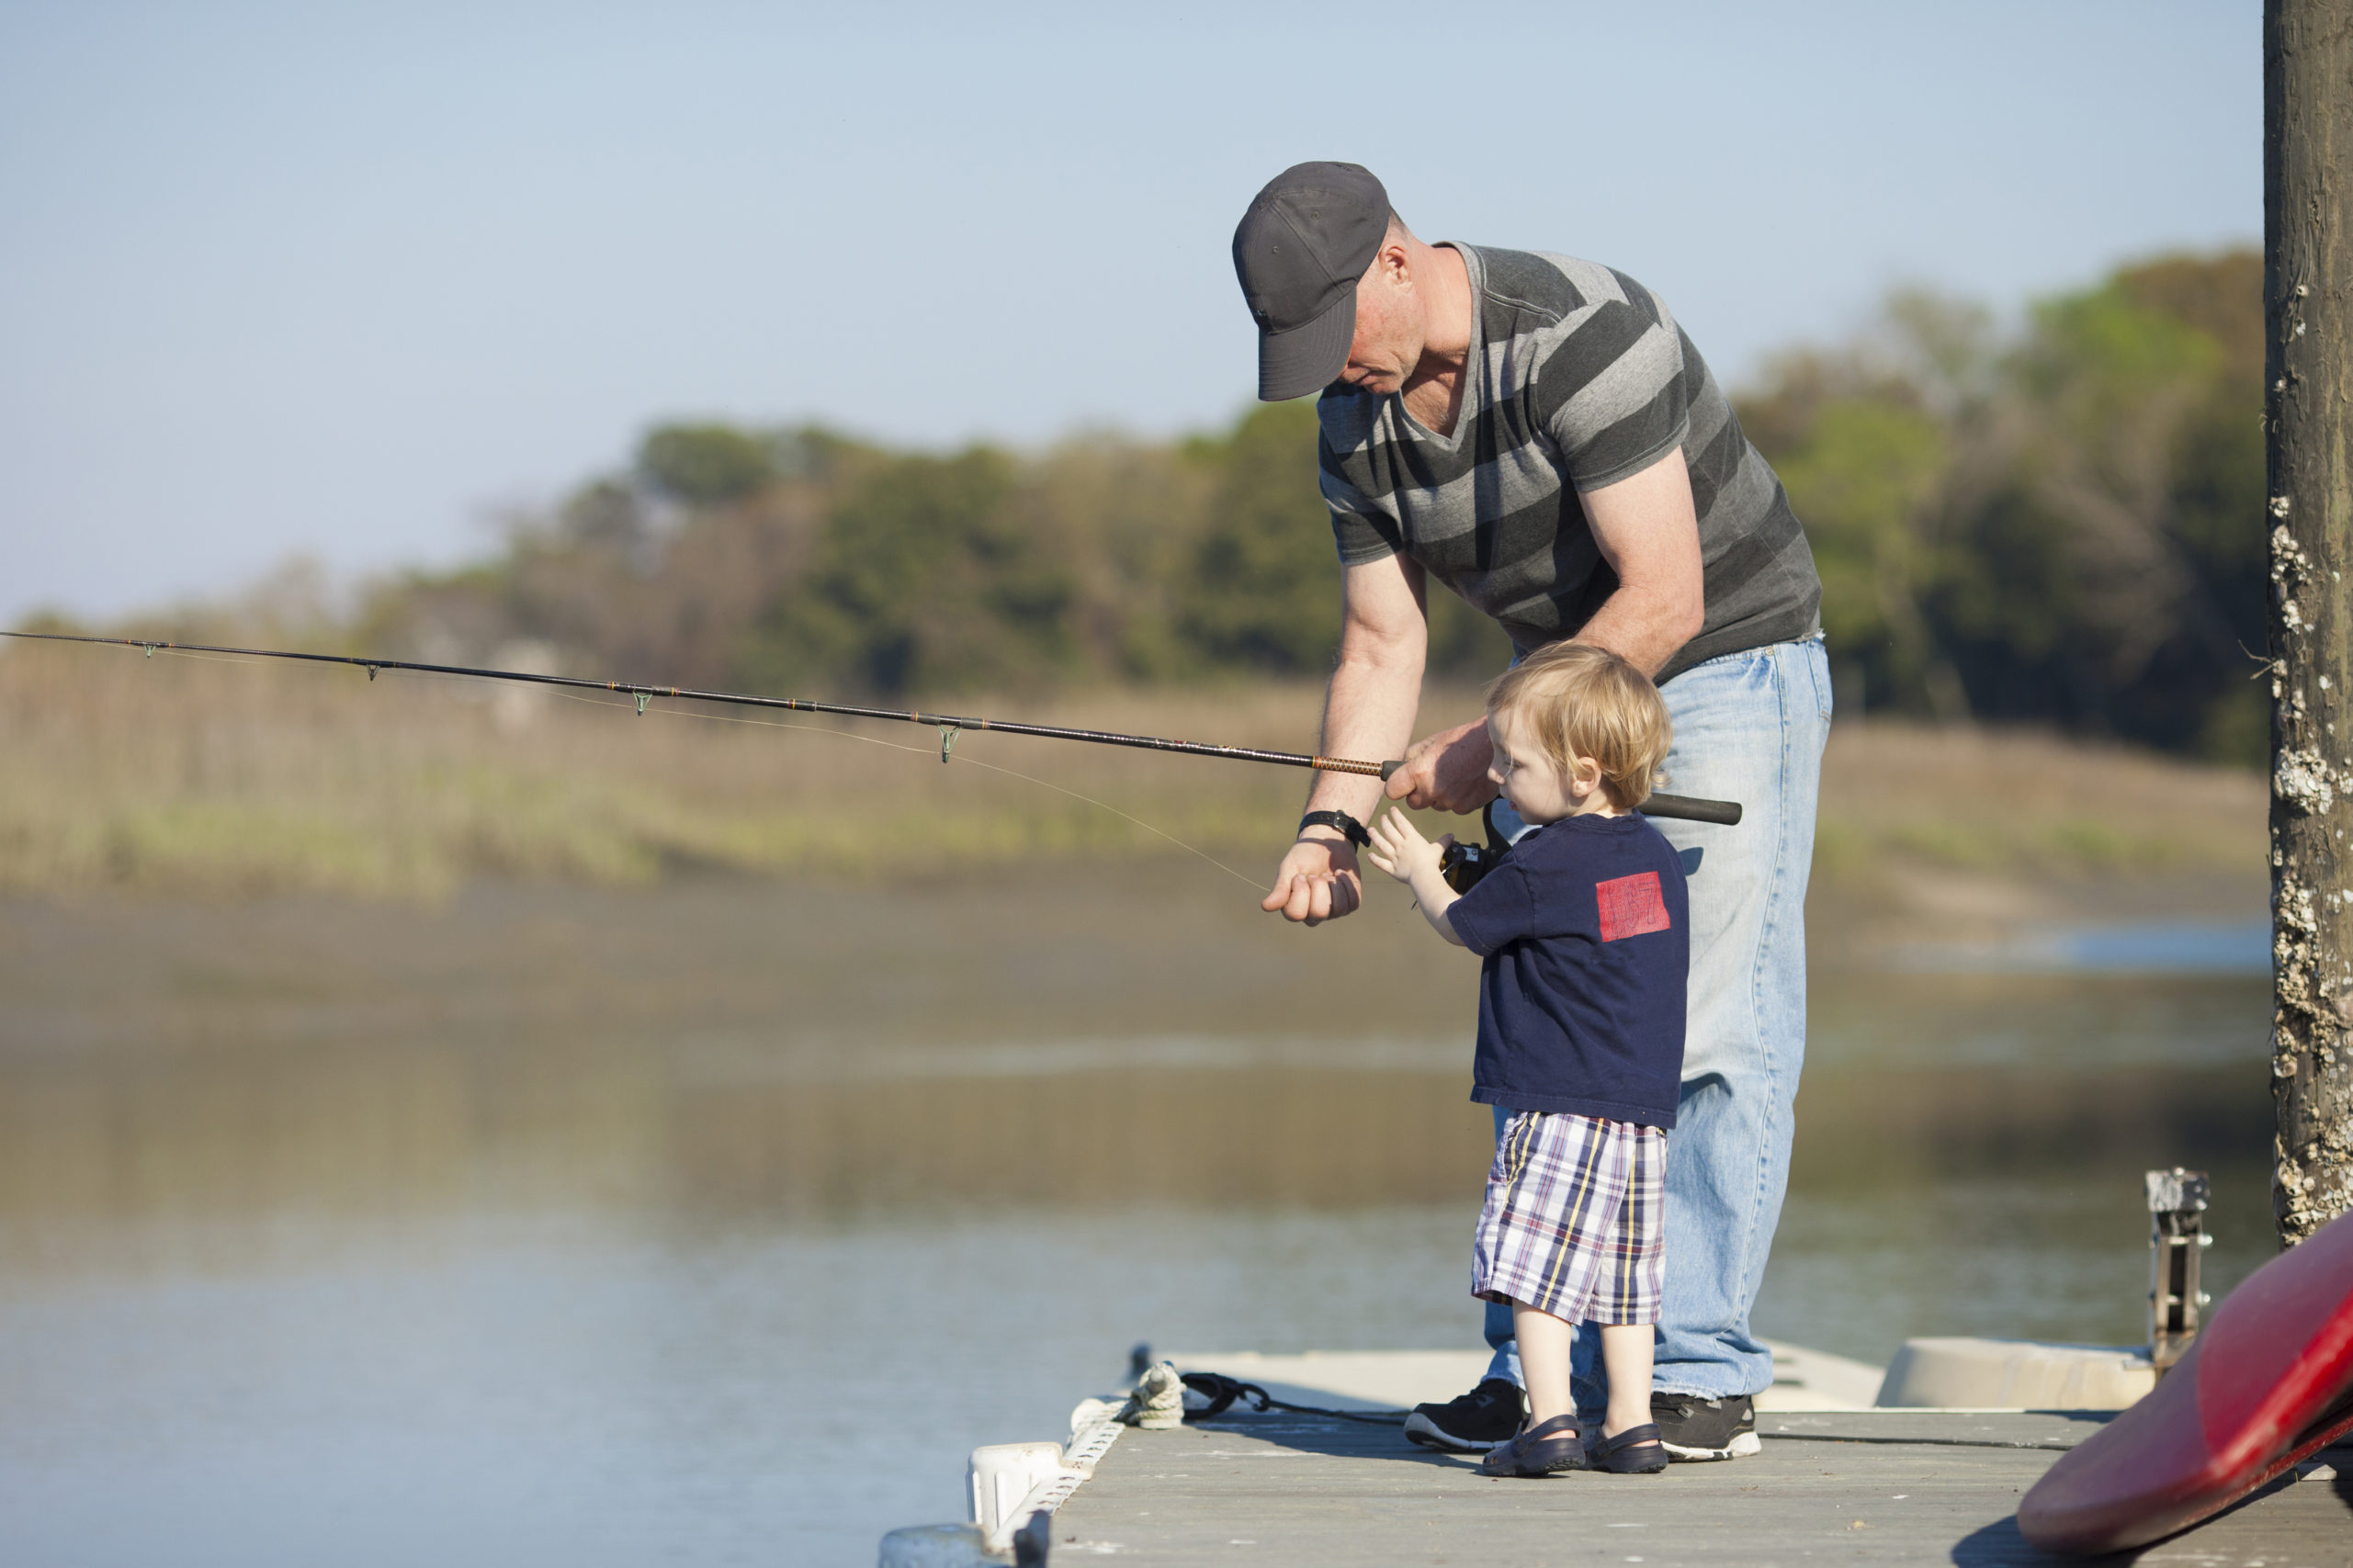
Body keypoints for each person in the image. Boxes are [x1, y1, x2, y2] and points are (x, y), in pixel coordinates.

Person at [1231, 162, 1829, 1461]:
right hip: (1551, 701)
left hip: (1720, 660)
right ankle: (1537, 1377)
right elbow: (1380, 645)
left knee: (1703, 1020)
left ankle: (1695, 1372)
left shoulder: (1580, 332)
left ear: (1396, 262)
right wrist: (1328, 828)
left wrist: (1489, 744)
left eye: (1335, 334)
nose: (1333, 373)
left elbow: (1662, 595)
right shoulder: (1352, 423)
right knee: (1542, 1015)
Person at [1367, 643, 1686, 1477]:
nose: (1496, 776)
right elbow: (1577, 928)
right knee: (1623, 1280)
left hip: (1556, 1104)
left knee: (1533, 1272)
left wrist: (1421, 871)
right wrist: (1486, 873)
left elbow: (1465, 926)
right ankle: (1630, 1425)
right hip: (1640, 1111)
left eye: (1513, 763)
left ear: (1582, 773)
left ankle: (1547, 1422)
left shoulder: (1547, 857)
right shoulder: (1652, 856)